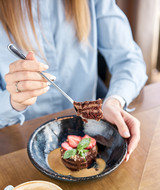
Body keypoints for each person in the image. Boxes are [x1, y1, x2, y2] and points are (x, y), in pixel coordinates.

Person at [0, 0, 147, 161]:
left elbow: (128, 59)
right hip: (17, 144)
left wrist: (115, 101)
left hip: (90, 131)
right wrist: (12, 102)